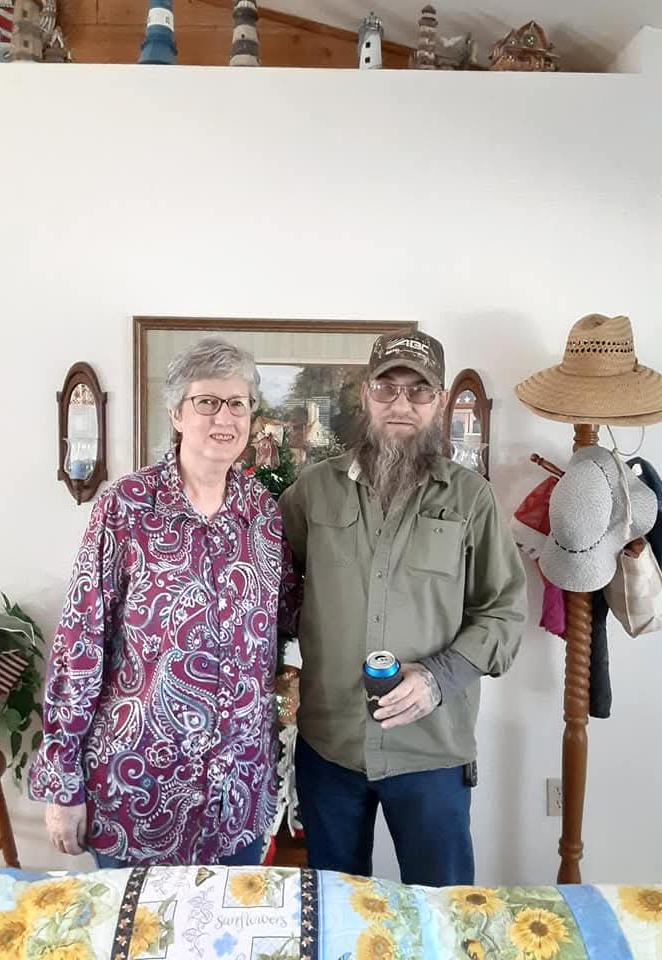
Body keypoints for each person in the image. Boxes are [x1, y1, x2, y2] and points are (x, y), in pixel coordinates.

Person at [29, 337, 292, 868]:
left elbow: (290, 618)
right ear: (176, 412)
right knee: (137, 944)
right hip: (138, 792)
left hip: (236, 796)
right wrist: (62, 781)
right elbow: (79, 643)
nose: (226, 417)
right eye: (208, 402)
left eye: (238, 403)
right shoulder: (125, 507)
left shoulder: (262, 511)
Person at [279, 330, 527, 885]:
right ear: (365, 395)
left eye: (418, 391)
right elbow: (269, 586)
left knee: (444, 914)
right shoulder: (313, 491)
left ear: (438, 402)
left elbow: (505, 613)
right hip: (330, 748)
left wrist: (439, 677)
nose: (401, 404)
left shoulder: (470, 499)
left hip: (432, 753)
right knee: (334, 913)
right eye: (387, 388)